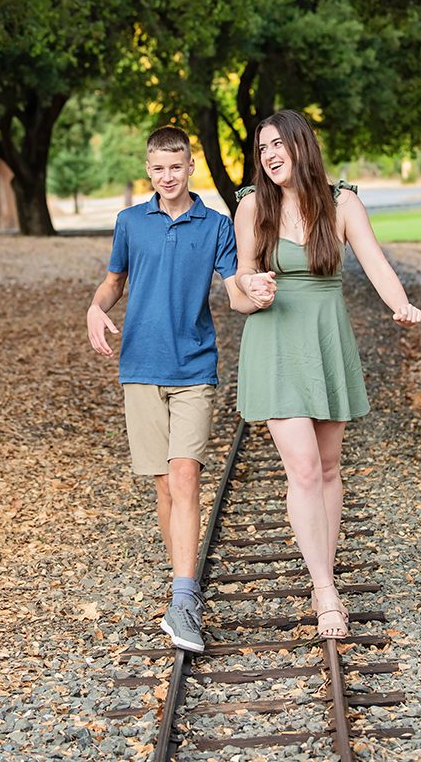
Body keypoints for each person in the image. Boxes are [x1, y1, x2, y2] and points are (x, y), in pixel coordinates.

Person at [234, 110, 421, 639]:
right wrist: (253, 290)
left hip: (325, 342)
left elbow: (376, 263)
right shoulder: (252, 206)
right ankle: (325, 590)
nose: (270, 155)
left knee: (331, 469)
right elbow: (241, 277)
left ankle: (324, 569)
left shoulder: (341, 203)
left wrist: (400, 304)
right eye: (262, 147)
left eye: (279, 145)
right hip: (274, 344)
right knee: (305, 469)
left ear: (302, 145)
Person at [87, 126, 271, 654]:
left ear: (190, 167)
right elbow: (113, 281)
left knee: (186, 475)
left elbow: (235, 288)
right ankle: (182, 589)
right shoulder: (129, 222)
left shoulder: (215, 226)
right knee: (165, 487)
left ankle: (184, 598)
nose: (168, 176)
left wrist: (255, 293)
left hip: (194, 369)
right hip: (140, 370)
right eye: (158, 168)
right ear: (149, 170)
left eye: (177, 166)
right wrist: (95, 308)